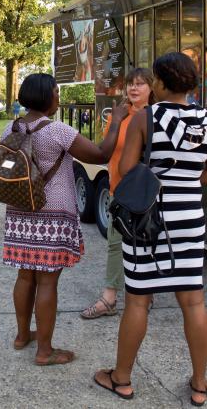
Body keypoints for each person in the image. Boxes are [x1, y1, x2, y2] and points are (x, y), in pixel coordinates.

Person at [93, 52, 207, 405]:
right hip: (189, 222)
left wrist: (161, 174)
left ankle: (121, 379)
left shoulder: (146, 119)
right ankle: (199, 384)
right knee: (193, 302)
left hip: (146, 222)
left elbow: (126, 165)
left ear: (162, 83)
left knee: (137, 302)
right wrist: (184, 176)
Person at [4, 73, 128, 366]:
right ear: (46, 97)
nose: (59, 97)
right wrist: (117, 121)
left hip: (20, 211)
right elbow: (100, 154)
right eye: (57, 93)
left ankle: (23, 336)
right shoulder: (58, 131)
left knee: (24, 275)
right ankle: (45, 351)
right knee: (47, 282)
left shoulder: (13, 126)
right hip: (53, 213)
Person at [80, 68, 155, 320]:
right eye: (130, 84)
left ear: (151, 88)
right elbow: (106, 149)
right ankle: (109, 298)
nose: (134, 89)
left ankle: (146, 292)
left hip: (146, 194)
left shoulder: (156, 117)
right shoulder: (119, 114)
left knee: (148, 242)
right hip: (118, 190)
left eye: (140, 84)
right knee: (115, 243)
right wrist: (115, 120)